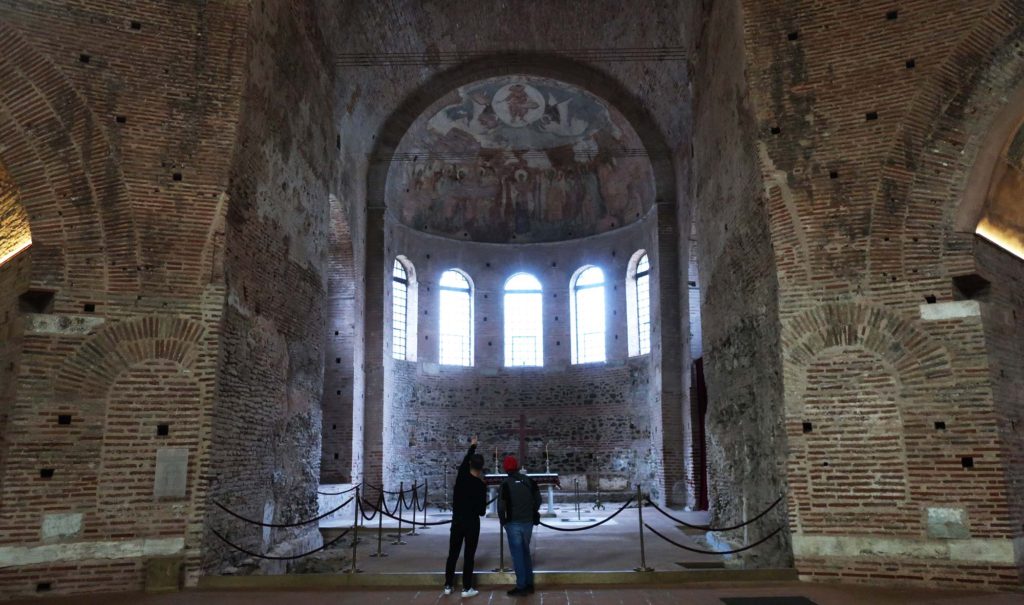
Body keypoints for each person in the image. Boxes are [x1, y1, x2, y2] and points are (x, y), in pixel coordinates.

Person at [443, 436, 487, 598]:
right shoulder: (480, 486)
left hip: (457, 521)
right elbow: (482, 512)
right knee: (469, 555)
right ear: (481, 468)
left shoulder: (461, 477)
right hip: (472, 523)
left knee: (453, 553)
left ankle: (448, 585)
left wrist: (473, 446)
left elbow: (465, 461)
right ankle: (466, 588)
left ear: (469, 465)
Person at [497, 454, 541, 597]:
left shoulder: (505, 484)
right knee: (525, 552)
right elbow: (538, 499)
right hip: (528, 522)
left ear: (505, 468)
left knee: (517, 555)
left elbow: (501, 506)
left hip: (513, 522)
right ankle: (529, 584)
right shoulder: (529, 481)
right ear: (516, 467)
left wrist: (503, 521)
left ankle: (521, 585)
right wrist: (532, 512)